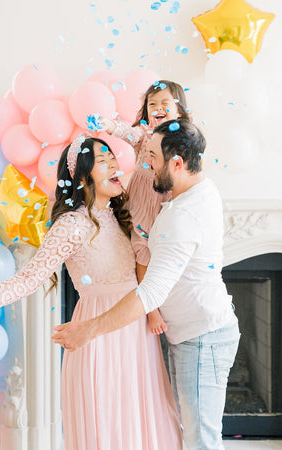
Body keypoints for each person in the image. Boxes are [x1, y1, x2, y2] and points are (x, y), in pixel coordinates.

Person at [0, 136, 183, 450]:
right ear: (83, 177)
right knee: (110, 424)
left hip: (134, 331)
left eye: (113, 158)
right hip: (97, 334)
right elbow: (29, 278)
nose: (115, 164)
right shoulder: (71, 225)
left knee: (142, 419)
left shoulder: (120, 215)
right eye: (104, 161)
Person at [52, 119, 241, 450]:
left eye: (151, 156)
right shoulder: (200, 189)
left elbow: (150, 292)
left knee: (200, 441)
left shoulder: (180, 217)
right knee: (194, 434)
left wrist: (88, 329)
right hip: (194, 333)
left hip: (201, 338)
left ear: (177, 163)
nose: (144, 164)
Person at [100, 80, 190, 335]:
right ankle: (151, 311)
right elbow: (127, 133)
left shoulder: (183, 139)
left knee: (164, 252)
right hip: (141, 202)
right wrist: (109, 126)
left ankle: (165, 301)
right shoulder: (145, 134)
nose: (157, 107)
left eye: (165, 103)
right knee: (142, 252)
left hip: (166, 203)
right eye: (152, 104)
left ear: (179, 111)